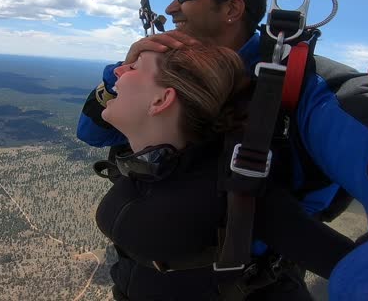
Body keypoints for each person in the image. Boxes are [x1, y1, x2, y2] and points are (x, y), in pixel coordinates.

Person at [79, 0, 368, 300]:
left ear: (232, 9)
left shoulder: (302, 86)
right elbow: (94, 133)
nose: (171, 8)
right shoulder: (168, 70)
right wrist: (119, 75)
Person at [94, 45, 354, 300]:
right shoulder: (145, 163)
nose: (118, 70)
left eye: (134, 67)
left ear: (161, 100)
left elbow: (355, 266)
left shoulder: (236, 189)